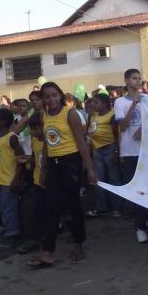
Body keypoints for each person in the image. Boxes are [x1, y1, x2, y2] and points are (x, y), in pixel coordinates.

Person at [28, 82, 96, 268]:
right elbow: (46, 144)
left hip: (71, 162)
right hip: (54, 164)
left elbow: (81, 143)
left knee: (73, 206)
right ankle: (48, 252)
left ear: (60, 96)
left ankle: (78, 244)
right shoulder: (44, 116)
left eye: (54, 95)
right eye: (47, 96)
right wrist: (42, 172)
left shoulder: (70, 114)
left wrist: (89, 170)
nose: (51, 99)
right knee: (51, 207)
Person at [114, 69, 148, 243]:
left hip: (147, 151)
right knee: (137, 190)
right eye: (134, 78)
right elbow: (122, 126)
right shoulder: (119, 102)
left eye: (140, 78)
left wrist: (143, 128)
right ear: (126, 80)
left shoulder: (147, 99)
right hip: (130, 152)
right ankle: (139, 227)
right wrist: (134, 104)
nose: (138, 81)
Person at [0, 108, 24, 248]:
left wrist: (16, 178)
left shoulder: (12, 137)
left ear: (3, 122)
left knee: (8, 208)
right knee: (1, 207)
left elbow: (20, 158)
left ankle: (12, 235)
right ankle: (6, 228)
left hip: (8, 179)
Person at [16, 113, 46, 254]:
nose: (32, 133)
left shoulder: (50, 141)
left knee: (57, 209)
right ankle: (34, 240)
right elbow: (36, 158)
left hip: (49, 182)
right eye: (31, 129)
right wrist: (27, 159)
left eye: (35, 129)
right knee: (34, 211)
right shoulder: (35, 141)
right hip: (37, 181)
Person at [87, 93, 122, 217]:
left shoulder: (112, 116)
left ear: (105, 104)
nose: (93, 104)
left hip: (109, 149)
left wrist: (117, 152)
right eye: (93, 102)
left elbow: (117, 135)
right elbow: (90, 132)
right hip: (97, 151)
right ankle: (101, 207)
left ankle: (117, 208)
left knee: (114, 179)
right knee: (99, 179)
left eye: (96, 102)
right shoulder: (92, 115)